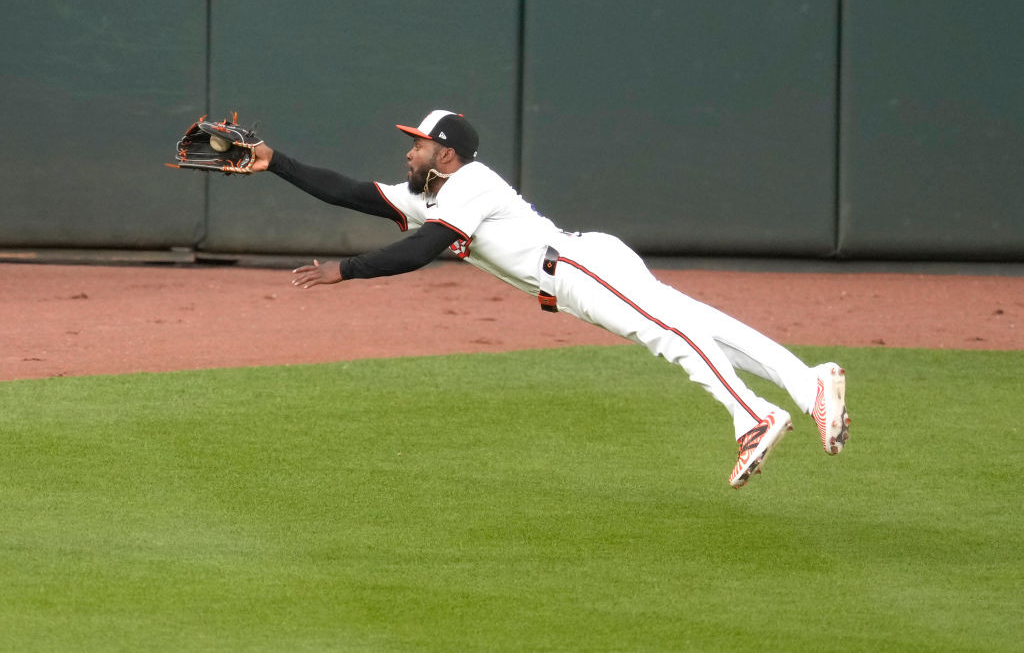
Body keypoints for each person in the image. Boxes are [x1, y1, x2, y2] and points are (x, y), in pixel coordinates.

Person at [248, 109, 850, 488]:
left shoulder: (469, 186)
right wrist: (276, 163)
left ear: (447, 154)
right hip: (577, 271)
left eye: (419, 144)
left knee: (669, 334)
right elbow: (349, 192)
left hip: (579, 268)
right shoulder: (429, 193)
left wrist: (344, 270)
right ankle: (807, 384)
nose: (409, 151)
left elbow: (417, 254)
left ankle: (755, 415)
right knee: (694, 323)